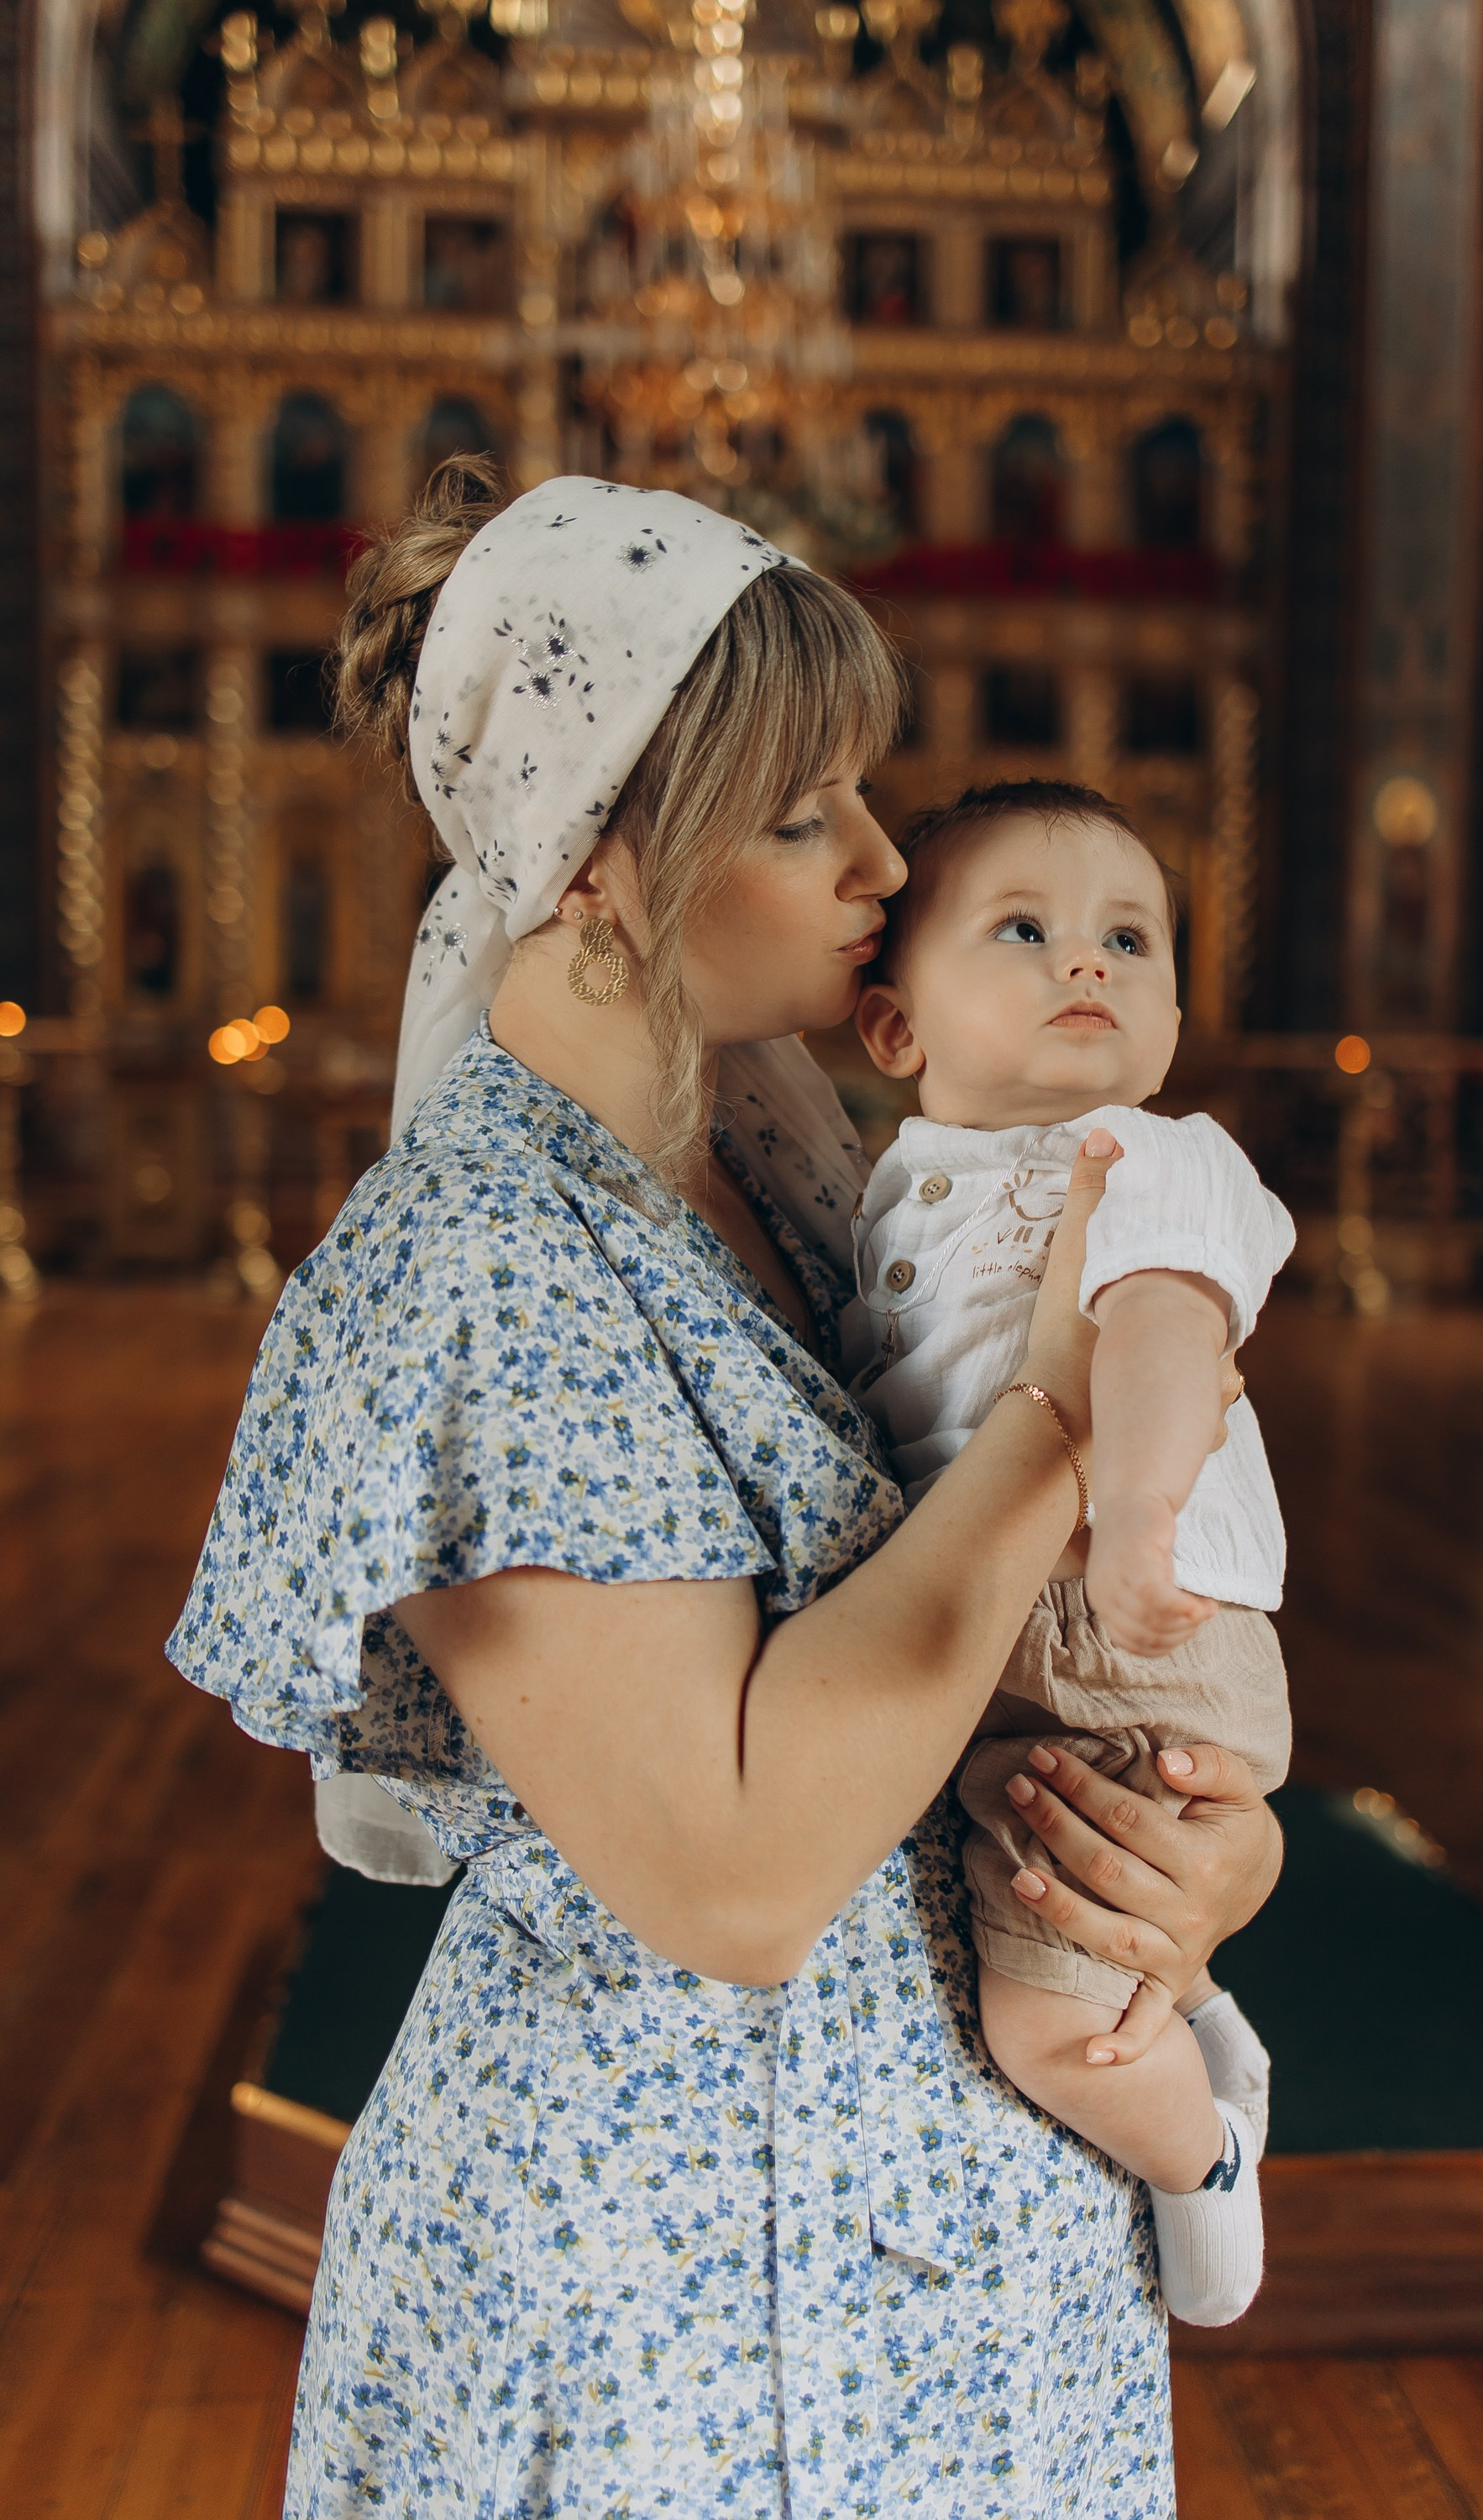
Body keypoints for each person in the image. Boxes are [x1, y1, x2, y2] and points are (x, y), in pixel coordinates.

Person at [169, 462, 1282, 2519]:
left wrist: (1185, 1871)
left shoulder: (781, 1167)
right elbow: (741, 1876)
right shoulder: (476, 1261)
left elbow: (982, 1669)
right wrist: (1062, 1406)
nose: (883, 859)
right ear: (599, 858)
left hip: (969, 2269)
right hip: (676, 2302)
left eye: (861, 791)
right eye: (799, 815)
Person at [846, 779, 1293, 2322]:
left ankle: (1205, 2160)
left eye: (1131, 940)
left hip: (1118, 1625)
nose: (1087, 961)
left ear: (1169, 1022)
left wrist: (1139, 1520)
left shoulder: (1149, 1158)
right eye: (1024, 930)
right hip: (1011, 1621)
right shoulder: (904, 1176)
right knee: (1046, 1896)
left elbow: (1164, 1335)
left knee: (1046, 2026)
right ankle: (1199, 2015)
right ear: (895, 1027)